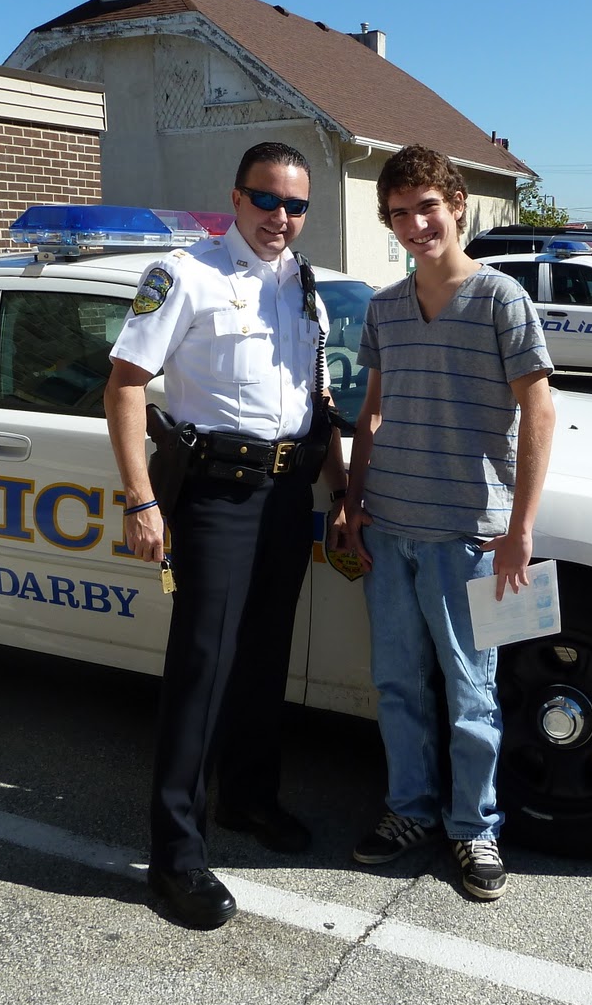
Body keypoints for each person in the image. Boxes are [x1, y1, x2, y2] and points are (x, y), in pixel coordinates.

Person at [104, 142, 347, 929]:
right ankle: (175, 856)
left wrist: (337, 486)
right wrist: (142, 500)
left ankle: (249, 799)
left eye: (296, 205)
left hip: (285, 492)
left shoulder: (304, 288)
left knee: (264, 654)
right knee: (203, 666)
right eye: (267, 200)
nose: (282, 218)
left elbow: (319, 395)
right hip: (215, 495)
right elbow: (125, 386)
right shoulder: (186, 275)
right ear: (236, 198)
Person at [338, 144, 555, 901]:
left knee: (472, 691)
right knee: (397, 685)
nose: (415, 224)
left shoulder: (501, 299)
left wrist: (521, 527)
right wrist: (353, 501)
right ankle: (409, 812)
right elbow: (370, 414)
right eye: (398, 213)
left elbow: (539, 410)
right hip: (389, 527)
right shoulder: (385, 307)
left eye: (426, 206)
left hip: (468, 537)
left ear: (457, 205)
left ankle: (475, 830)